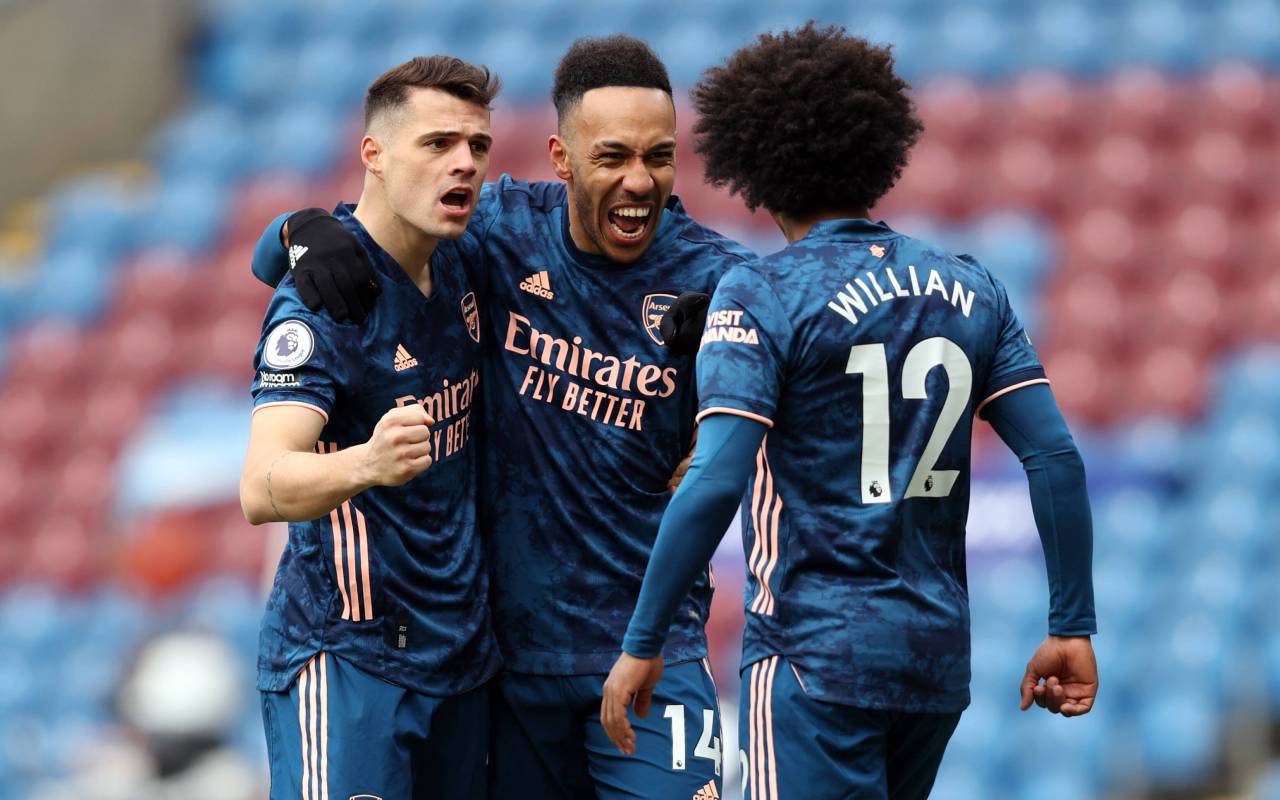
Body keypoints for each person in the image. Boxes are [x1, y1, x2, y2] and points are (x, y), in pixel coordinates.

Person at [600, 23, 1099, 800]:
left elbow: (715, 481)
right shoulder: (973, 287)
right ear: (878, 152)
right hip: (932, 665)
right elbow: (1055, 460)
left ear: (755, 167)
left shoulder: (764, 293)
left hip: (811, 654)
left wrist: (644, 639)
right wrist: (1071, 624)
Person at [250, 35, 754, 800]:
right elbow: (261, 480)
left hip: (630, 649)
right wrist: (295, 229)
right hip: (482, 662)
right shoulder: (496, 236)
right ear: (562, 156)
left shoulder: (713, 279)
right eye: (613, 155)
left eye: (659, 156)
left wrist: (730, 379)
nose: (639, 179)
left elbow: (806, 354)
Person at [238, 55, 502, 800]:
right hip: (350, 661)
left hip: (463, 663)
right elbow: (260, 487)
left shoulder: (466, 255)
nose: (464, 164)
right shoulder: (325, 302)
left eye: (477, 147)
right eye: (438, 143)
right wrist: (365, 463)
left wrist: (287, 226)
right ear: (374, 155)